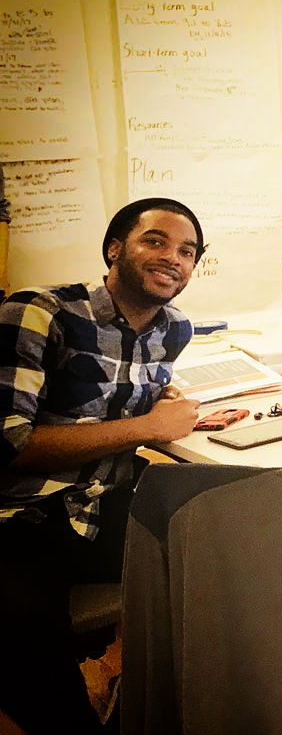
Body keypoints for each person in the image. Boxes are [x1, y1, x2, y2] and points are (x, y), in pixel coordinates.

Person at [0, 198, 205, 732]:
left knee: (226, 561)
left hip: (105, 503)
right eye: (154, 241)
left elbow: (136, 395)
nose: (172, 258)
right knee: (21, 638)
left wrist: (165, 409)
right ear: (115, 249)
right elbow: (10, 444)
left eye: (187, 251)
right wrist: (149, 428)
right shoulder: (39, 311)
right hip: (25, 513)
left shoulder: (174, 329)